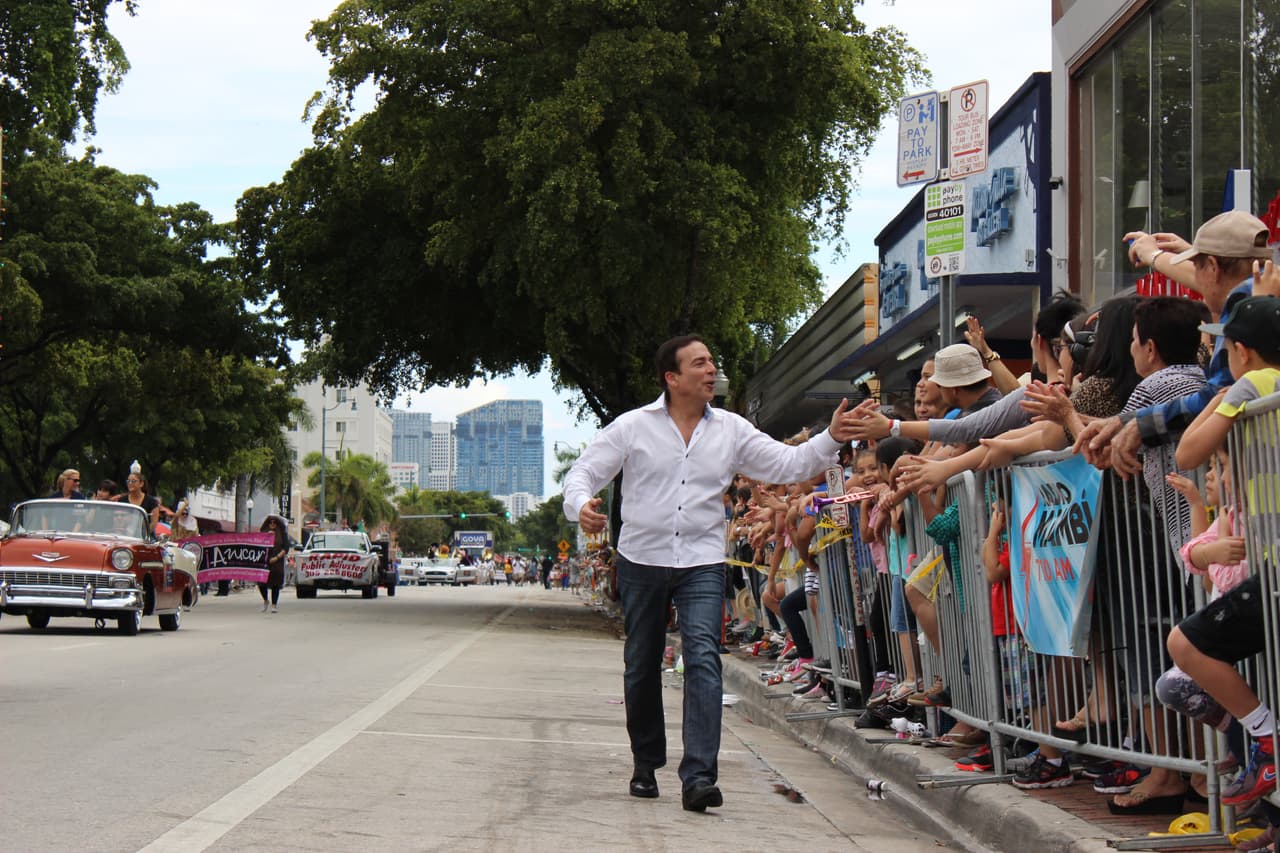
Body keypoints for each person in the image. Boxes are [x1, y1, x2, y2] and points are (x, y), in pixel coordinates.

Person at [562, 333, 864, 812]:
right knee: (641, 663)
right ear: (672, 377)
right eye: (699, 364)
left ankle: (699, 776)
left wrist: (832, 436)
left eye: (712, 363)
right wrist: (582, 506)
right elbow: (581, 475)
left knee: (703, 654)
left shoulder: (730, 429)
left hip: (701, 560)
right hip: (642, 559)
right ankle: (646, 760)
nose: (711, 371)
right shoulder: (632, 427)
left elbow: (787, 463)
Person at [115, 466, 161, 533]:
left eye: (133, 481)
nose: (130, 483)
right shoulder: (122, 500)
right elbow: (117, 518)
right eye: (128, 481)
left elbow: (153, 523)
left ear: (141, 483)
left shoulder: (152, 501)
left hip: (145, 537)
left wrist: (144, 535)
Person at [259, 515, 288, 613]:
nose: (272, 524)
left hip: (277, 562)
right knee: (261, 582)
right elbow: (257, 545)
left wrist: (277, 557)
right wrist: (267, 536)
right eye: (270, 522)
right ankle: (265, 600)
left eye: (274, 522)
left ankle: (274, 604)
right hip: (264, 561)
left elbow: (286, 548)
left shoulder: (281, 533)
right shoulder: (263, 531)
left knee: (275, 583)